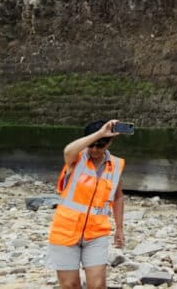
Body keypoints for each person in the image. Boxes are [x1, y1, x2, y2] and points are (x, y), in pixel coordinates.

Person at [45, 119, 126, 289]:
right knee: (70, 285)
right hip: (65, 231)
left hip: (96, 233)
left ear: (110, 142)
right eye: (92, 145)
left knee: (97, 285)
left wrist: (119, 228)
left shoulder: (116, 165)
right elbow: (67, 150)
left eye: (101, 145)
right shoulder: (75, 158)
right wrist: (99, 134)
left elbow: (118, 197)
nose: (95, 150)